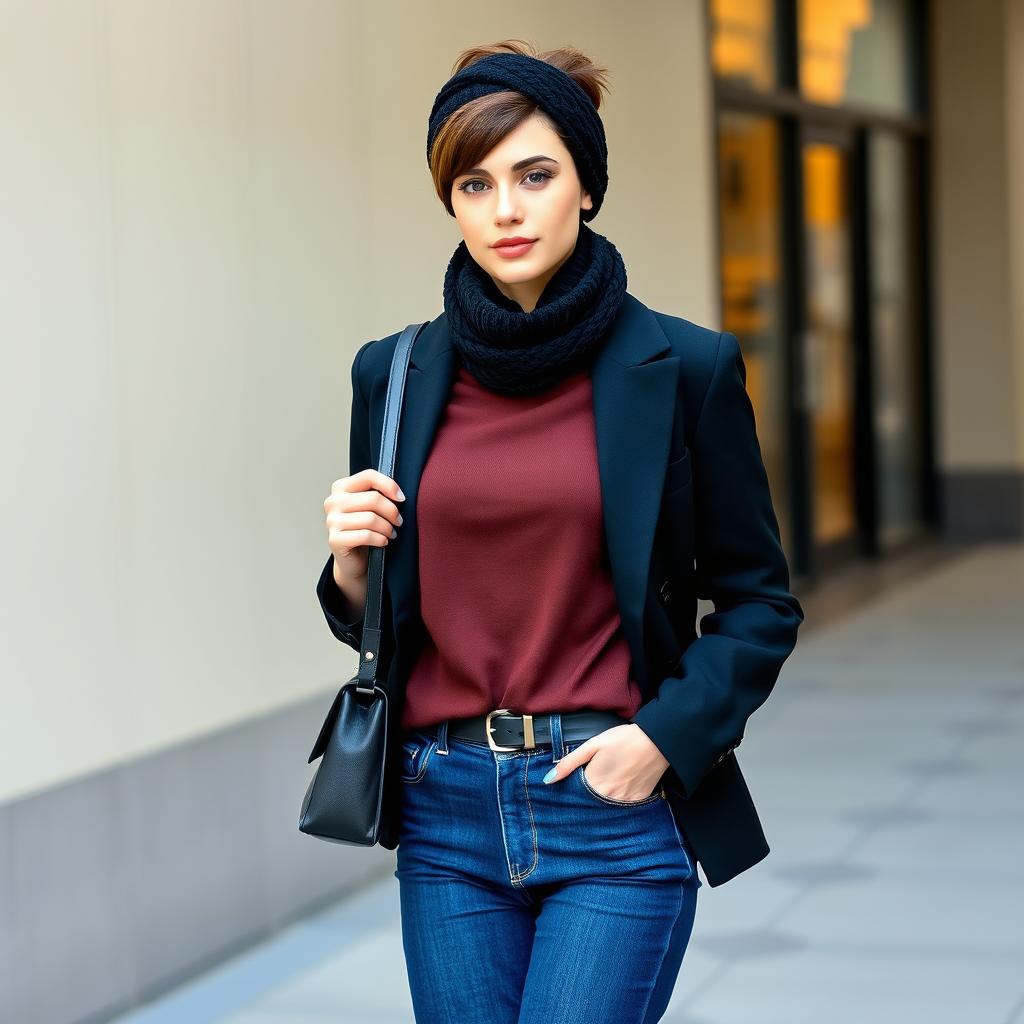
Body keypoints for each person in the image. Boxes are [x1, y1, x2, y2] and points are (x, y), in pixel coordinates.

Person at [316, 39, 804, 1024]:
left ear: (585, 185)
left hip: (612, 807)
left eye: (534, 175)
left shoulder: (685, 368)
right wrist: (348, 561)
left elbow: (757, 601)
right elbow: (379, 616)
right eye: (474, 182)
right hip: (445, 809)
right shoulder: (395, 374)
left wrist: (661, 739)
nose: (504, 208)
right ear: (449, 201)